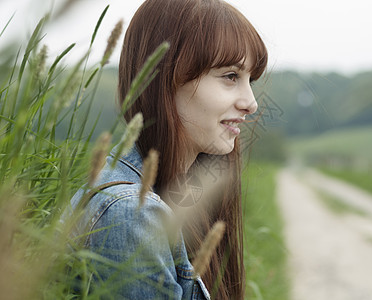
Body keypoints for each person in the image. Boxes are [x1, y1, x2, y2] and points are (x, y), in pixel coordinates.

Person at [68, 0, 267, 298]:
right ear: (165, 77)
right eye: (230, 76)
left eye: (250, 80)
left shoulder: (173, 201)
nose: (251, 103)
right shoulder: (129, 214)